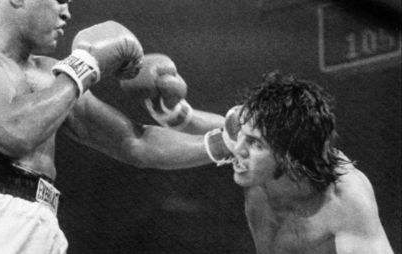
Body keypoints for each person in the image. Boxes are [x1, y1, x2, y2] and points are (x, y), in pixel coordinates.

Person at [0, 0, 222, 253]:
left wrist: (226, 143)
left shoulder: (51, 75)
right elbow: (13, 132)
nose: (67, 13)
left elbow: (135, 143)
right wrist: (85, 66)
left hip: (43, 225)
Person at [123, 55, 394, 254]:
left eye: (254, 143)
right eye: (243, 135)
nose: (237, 148)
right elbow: (204, 124)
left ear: (290, 158)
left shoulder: (344, 201)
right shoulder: (261, 145)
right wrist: (169, 109)